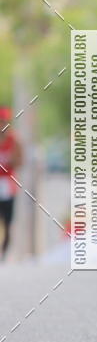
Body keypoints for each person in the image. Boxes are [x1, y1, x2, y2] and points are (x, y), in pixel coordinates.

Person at [0, 107, 22, 261]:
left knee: (8, 221)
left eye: (4, 122)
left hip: (8, 184)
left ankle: (4, 252)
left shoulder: (14, 140)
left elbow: (19, 161)